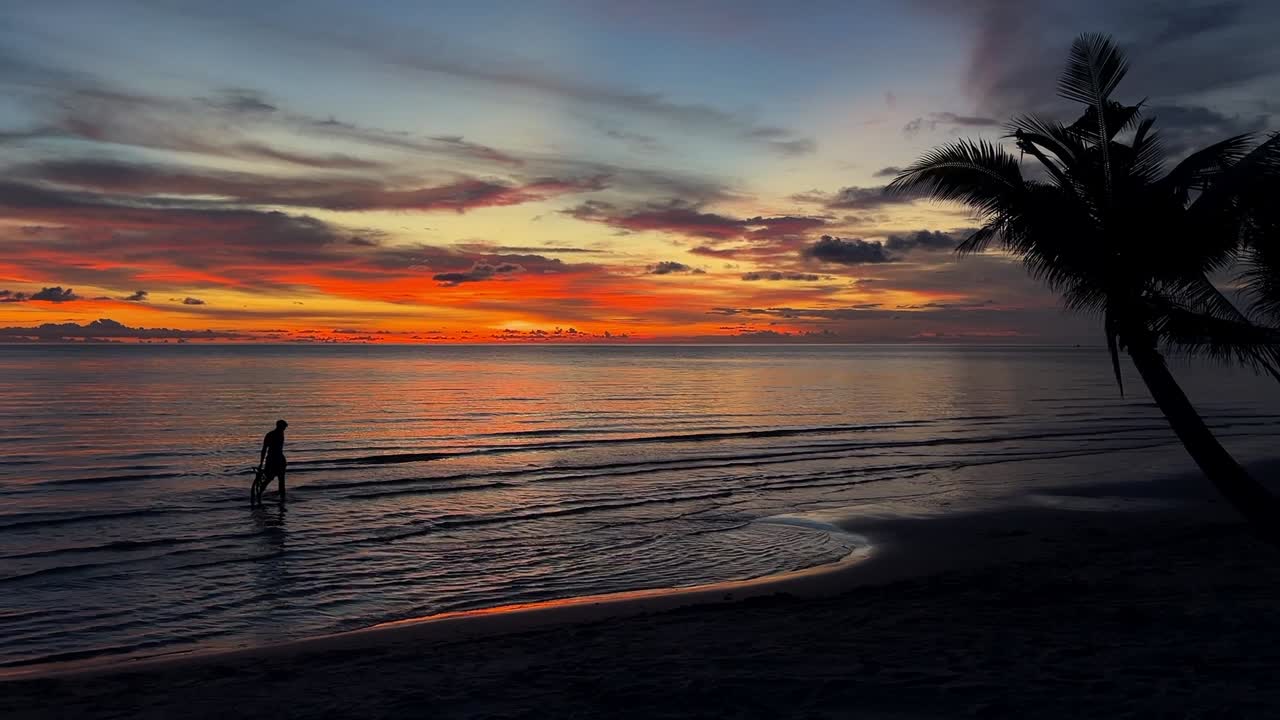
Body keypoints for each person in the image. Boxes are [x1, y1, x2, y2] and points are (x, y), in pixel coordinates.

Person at [255, 419, 288, 505]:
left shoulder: (277, 434)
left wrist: (262, 463)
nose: (284, 429)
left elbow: (264, 450)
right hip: (273, 460)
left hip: (279, 459)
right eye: (283, 427)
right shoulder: (271, 435)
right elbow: (264, 449)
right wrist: (261, 463)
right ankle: (259, 495)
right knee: (270, 479)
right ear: (279, 426)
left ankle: (282, 499)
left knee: (280, 480)